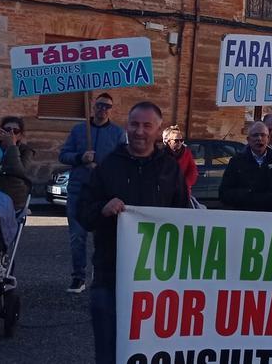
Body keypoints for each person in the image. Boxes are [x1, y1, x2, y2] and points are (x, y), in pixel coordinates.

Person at [78, 101, 188, 364]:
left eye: (147, 126)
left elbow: (184, 216)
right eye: (134, 124)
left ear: (158, 130)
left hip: (156, 279)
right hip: (110, 273)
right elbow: (83, 212)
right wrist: (102, 208)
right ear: (126, 126)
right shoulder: (108, 166)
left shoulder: (170, 168)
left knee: (150, 349)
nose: (139, 131)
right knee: (108, 348)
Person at [57, 92, 127, 294]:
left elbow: (123, 161)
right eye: (100, 105)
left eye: (107, 106)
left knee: (102, 237)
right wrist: (81, 157)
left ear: (111, 109)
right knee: (77, 236)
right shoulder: (79, 130)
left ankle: (100, 275)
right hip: (78, 190)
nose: (103, 109)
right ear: (93, 106)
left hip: (103, 192)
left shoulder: (117, 133)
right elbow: (63, 155)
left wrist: (102, 169)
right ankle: (78, 277)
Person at [219, 121, 272, 211]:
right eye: (255, 135)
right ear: (248, 139)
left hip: (269, 215)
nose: (259, 138)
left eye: (263, 135)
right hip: (244, 214)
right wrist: (248, 194)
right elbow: (224, 194)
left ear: (268, 138)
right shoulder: (236, 162)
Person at [163, 125, 197, 197]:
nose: (179, 143)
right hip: (166, 193)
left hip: (183, 192)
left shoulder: (187, 153)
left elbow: (193, 171)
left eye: (181, 140)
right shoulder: (162, 155)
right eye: (176, 140)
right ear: (168, 141)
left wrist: (185, 183)